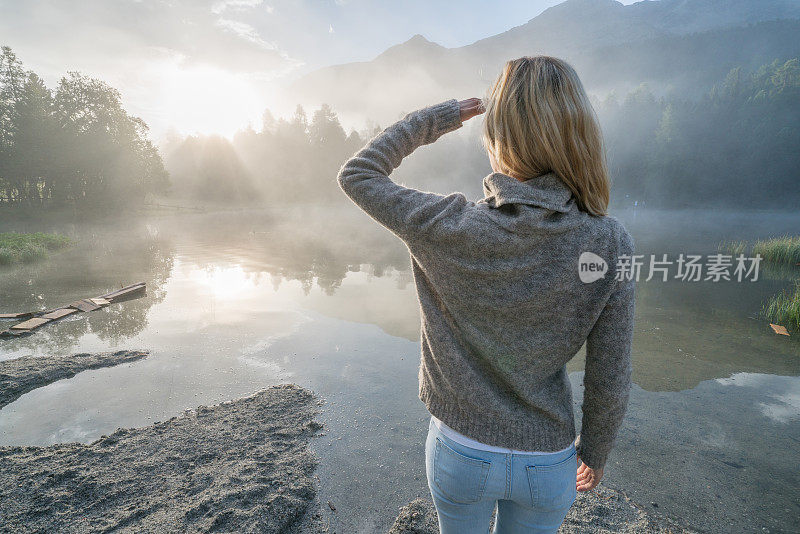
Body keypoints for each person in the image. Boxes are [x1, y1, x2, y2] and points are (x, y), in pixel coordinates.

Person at [337, 56, 635, 534]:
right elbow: (611, 372)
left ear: (499, 138)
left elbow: (359, 174)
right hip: (548, 461)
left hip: (461, 451)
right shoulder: (608, 241)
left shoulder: (447, 225)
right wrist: (595, 451)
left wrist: (440, 118)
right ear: (577, 134)